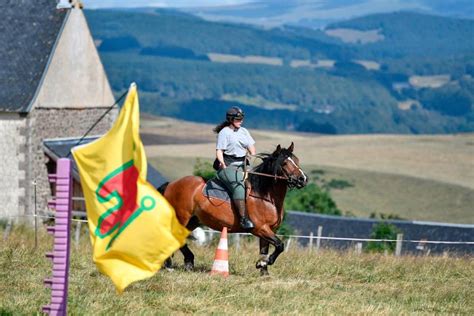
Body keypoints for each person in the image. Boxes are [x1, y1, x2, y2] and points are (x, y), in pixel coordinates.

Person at [213, 106, 256, 230]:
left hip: (243, 164)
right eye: (238, 119)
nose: (241, 121)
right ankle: (243, 219)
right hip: (228, 166)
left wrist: (251, 159)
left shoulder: (244, 131)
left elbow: (252, 149)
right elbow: (219, 151)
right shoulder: (224, 132)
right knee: (239, 186)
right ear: (231, 119)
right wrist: (222, 163)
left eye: (241, 119)